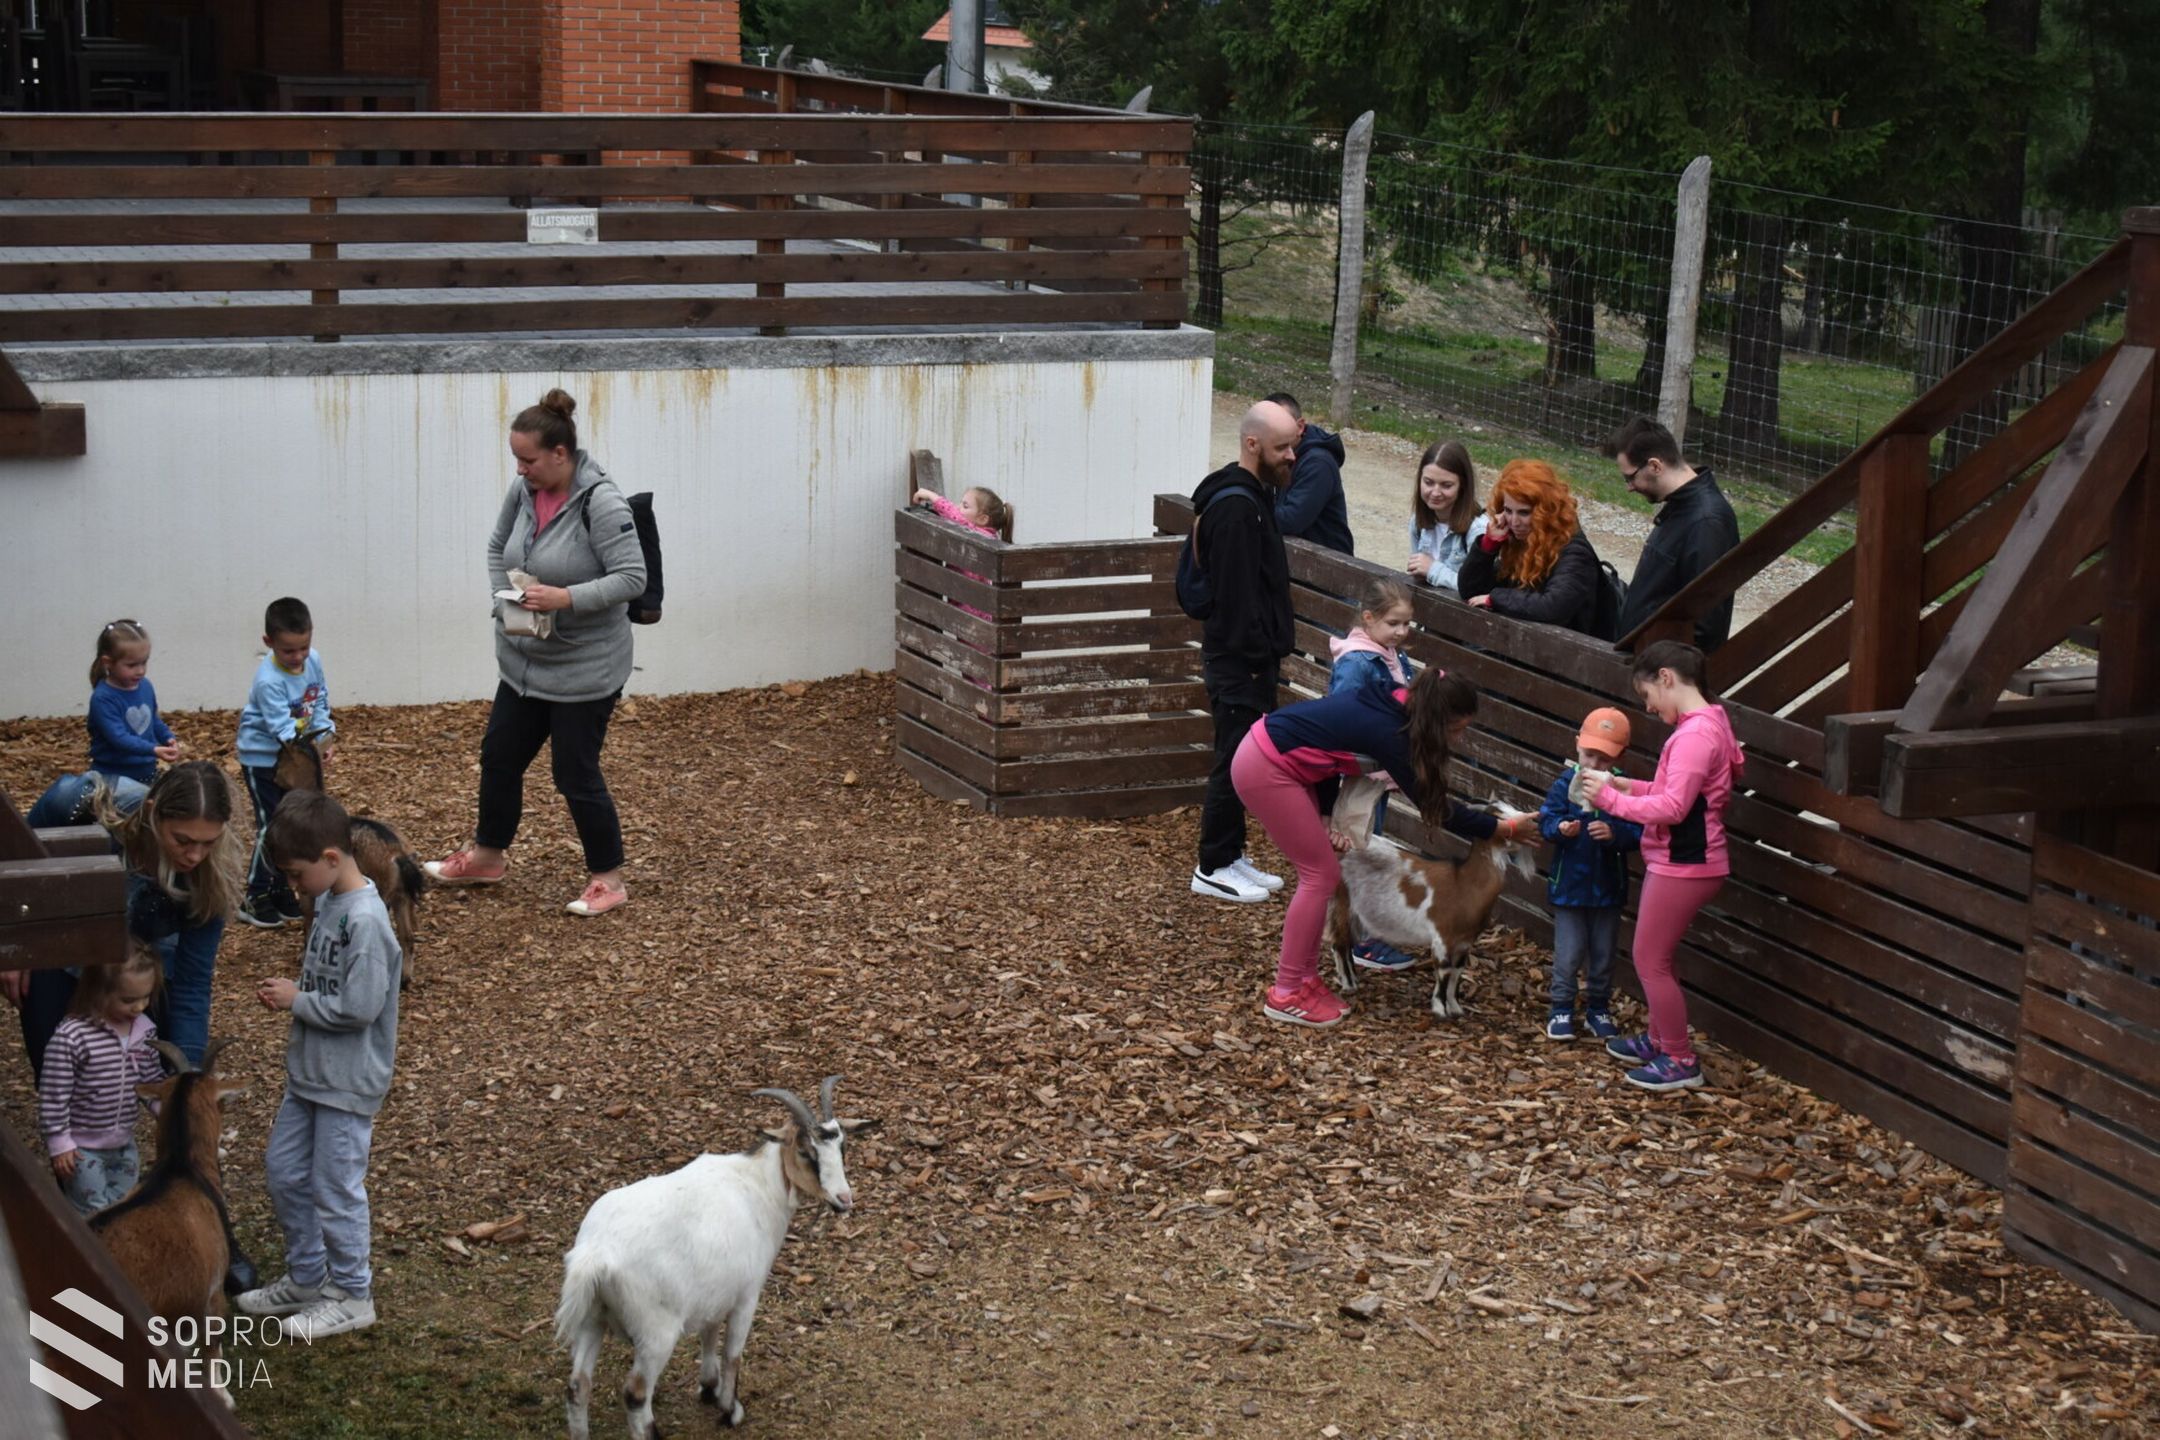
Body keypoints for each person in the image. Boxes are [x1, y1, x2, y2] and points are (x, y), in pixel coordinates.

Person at [425, 390, 647, 918]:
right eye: (516, 460)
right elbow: (496, 548)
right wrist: (505, 602)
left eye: (528, 459)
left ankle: (607, 878)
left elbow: (632, 578)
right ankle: (487, 856)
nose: (521, 469)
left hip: (585, 668)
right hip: (524, 660)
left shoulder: (603, 503)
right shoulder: (523, 492)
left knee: (574, 772)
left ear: (560, 454)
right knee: (500, 757)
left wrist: (565, 598)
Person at [1231, 669, 1535, 1028]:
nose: (1460, 738)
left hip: (1286, 762)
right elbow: (1437, 809)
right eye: (1456, 729)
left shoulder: (1395, 703)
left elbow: (1329, 748)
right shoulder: (1390, 734)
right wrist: (1502, 828)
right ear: (1435, 719)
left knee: (1323, 873)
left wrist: (1327, 814)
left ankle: (1305, 978)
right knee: (1320, 876)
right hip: (1265, 767)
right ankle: (1286, 993)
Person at [237, 790, 402, 1342]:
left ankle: (353, 1294)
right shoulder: (330, 901)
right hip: (308, 1078)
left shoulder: (367, 922)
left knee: (335, 1187)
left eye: (295, 874)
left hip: (346, 1084)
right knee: (286, 1173)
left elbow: (360, 1008)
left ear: (331, 859)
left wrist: (295, 1000)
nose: (292, 886)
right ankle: (309, 1279)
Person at [8, 761, 242, 1076]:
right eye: (183, 840)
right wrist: (15, 945)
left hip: (138, 965)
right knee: (56, 1064)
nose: (195, 856)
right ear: (151, 812)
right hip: (62, 942)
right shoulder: (85, 803)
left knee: (136, 1069)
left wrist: (187, 1075)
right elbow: (19, 861)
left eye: (208, 843)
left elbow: (192, 982)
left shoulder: (211, 879)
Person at [1589, 641, 1745, 1092]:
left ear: (1666, 678)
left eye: (1647, 697)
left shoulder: (1695, 735)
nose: (1650, 708)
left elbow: (1676, 808)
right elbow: (1675, 790)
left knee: (1649, 960)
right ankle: (1660, 1040)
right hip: (1684, 860)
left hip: (1685, 863)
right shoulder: (1708, 722)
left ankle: (1679, 1058)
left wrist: (1609, 800)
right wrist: (1628, 785)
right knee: (1659, 958)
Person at [1190, 401, 1300, 905]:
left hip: (1249, 661)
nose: (1291, 457)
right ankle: (1211, 865)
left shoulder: (1252, 496)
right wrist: (1259, 653)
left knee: (1244, 760)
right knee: (1232, 761)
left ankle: (1231, 854)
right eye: (1282, 448)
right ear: (1252, 445)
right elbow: (1236, 601)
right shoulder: (1237, 508)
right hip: (1238, 662)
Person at [1327, 576, 1423, 973]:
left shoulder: (1389, 654)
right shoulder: (1358, 661)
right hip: (1360, 774)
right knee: (1359, 850)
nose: (1401, 632)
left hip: (1379, 771)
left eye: (1406, 624)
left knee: (1368, 846)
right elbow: (1341, 715)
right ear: (1368, 618)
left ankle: (1357, 932)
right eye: (1393, 624)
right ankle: (1360, 940)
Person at [1535, 707, 1643, 1043]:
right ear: (1577, 746)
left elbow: (1638, 830)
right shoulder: (1565, 783)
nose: (1594, 765)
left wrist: (1614, 835)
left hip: (1608, 889)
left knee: (1603, 952)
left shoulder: (1622, 787)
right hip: (1569, 886)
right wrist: (1560, 828)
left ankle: (1598, 1008)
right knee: (1568, 951)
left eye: (1603, 760)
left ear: (1619, 758)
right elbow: (1546, 819)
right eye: (1589, 755)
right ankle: (1561, 1008)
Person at [38, 943, 165, 1215]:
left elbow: (151, 1080)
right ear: (98, 991)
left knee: (123, 1209)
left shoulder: (144, 1031)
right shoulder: (73, 1037)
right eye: (128, 1000)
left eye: (145, 997)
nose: (139, 1006)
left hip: (123, 1145)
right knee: (93, 1214)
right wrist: (59, 1143)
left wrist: (166, 1112)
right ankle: (86, 1258)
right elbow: (53, 1095)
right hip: (81, 1149)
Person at [236, 596, 337, 930]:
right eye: (288, 651)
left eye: (304, 648)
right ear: (269, 643)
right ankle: (255, 893)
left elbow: (319, 697)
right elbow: (283, 728)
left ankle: (280, 890)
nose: (297, 658)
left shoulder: (313, 661)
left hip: (297, 754)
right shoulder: (268, 681)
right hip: (263, 759)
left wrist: (325, 735)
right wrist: (311, 747)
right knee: (272, 827)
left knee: (292, 825)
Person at [1602, 417, 1740, 651]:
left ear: (1655, 466)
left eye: (1630, 477)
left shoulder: (1707, 522)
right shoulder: (1682, 508)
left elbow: (1705, 625)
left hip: (1661, 675)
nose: (1629, 487)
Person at [1456, 459, 1603, 635]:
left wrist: (1496, 599)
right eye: (1508, 511)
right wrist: (1488, 545)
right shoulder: (1520, 541)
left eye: (1524, 512)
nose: (1514, 522)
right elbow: (1469, 590)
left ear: (1545, 512)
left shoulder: (1575, 552)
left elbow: (1554, 606)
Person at [85, 619, 182, 787]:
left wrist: (167, 738)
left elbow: (152, 719)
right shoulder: (103, 698)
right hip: (112, 777)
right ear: (108, 663)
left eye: (144, 662)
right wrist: (153, 749)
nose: (141, 670)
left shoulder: (145, 686)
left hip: (146, 772)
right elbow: (119, 738)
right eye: (131, 665)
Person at [1263, 392, 1354, 554]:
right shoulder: (1271, 453)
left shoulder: (1319, 463)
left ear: (1300, 427)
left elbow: (1291, 520)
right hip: (1292, 557)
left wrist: (1246, 510)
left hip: (1328, 568)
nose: (1272, 433)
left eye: (1280, 425)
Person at [909, 485, 1013, 622]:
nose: (958, 507)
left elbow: (955, 516)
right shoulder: (980, 536)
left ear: (982, 519)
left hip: (973, 611)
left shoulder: (980, 536)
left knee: (973, 643)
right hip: (967, 604)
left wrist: (931, 496)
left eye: (965, 506)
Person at [1407, 440, 1489, 593]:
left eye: (1446, 485)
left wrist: (1433, 570)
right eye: (1428, 482)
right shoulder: (1417, 522)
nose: (1436, 492)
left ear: (1462, 486)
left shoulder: (1479, 530)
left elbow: (1478, 589)